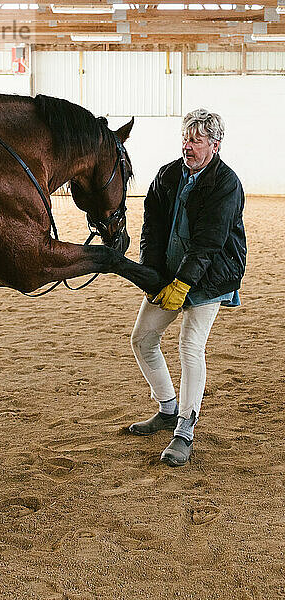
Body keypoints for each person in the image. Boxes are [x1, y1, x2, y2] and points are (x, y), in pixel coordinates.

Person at [129, 108, 246, 467]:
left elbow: (210, 241)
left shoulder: (226, 183)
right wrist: (152, 272)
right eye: (186, 138)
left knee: (189, 346)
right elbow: (152, 225)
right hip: (169, 273)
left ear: (215, 144)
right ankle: (167, 409)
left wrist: (183, 282)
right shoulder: (167, 175)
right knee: (142, 339)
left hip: (211, 276)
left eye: (197, 140)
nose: (188, 146)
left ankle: (184, 431)